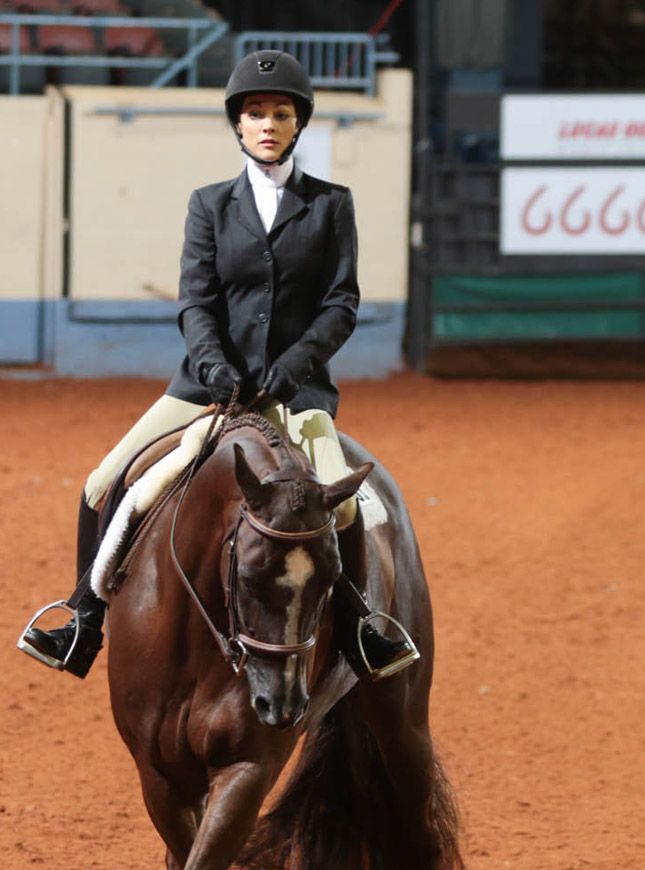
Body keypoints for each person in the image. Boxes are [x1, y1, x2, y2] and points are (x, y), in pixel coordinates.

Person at [19, 49, 419, 683]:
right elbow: (196, 300)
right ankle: (83, 620)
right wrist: (213, 365)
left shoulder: (331, 205)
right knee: (105, 481)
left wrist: (294, 365)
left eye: (279, 113)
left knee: (342, 509)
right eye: (254, 113)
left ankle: (359, 627)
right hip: (209, 388)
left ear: (298, 124)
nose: (266, 123)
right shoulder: (209, 205)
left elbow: (341, 302)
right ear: (237, 124)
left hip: (297, 392)